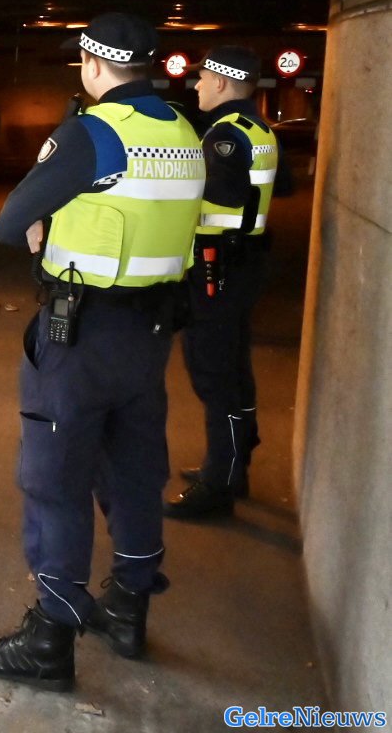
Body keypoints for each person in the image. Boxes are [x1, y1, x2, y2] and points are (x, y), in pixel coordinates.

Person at [0, 13, 204, 692]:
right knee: (132, 469)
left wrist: (43, 221)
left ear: (96, 68)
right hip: (150, 335)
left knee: (55, 476)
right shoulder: (183, 133)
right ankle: (129, 606)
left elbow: (12, 222)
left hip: (83, 333)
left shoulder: (92, 134)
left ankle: (51, 637)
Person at [165, 46, 278, 519]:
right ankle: (232, 467)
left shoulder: (226, 137)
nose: (197, 85)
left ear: (225, 84)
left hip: (219, 265)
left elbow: (213, 194)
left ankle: (220, 486)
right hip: (242, 262)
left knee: (213, 372)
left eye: (205, 78)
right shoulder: (258, 129)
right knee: (233, 368)